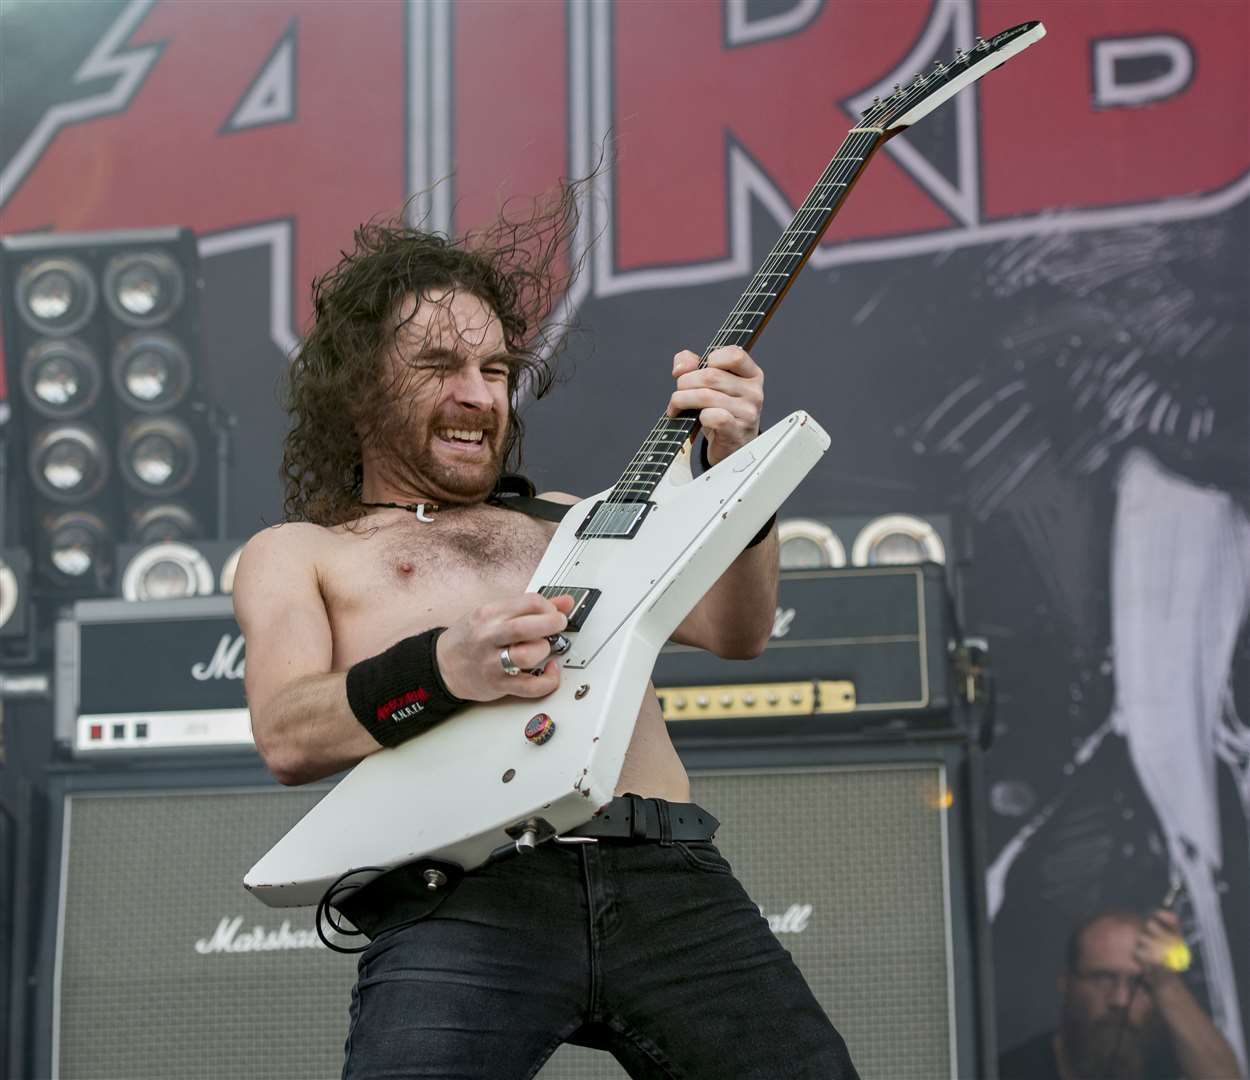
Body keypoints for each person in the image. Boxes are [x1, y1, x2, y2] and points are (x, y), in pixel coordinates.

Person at [233, 198, 858, 1079]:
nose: (478, 393)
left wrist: (736, 472)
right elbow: (288, 733)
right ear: (358, 387)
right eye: (438, 365)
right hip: (463, 896)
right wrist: (444, 668)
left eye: (496, 367)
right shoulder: (301, 552)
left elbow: (736, 629)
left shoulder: (576, 519)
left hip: (666, 871)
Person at [999, 908, 1243, 1079]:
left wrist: (1164, 980)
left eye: (1140, 984)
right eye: (1102, 978)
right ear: (1066, 983)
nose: (1120, 999)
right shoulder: (1012, 1071)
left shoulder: (1165, 1062)